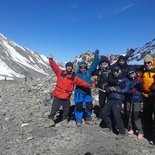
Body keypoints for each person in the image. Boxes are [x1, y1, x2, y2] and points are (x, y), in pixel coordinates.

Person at [46, 54, 91, 127]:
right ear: (66, 67)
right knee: (54, 109)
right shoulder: (60, 72)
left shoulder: (74, 77)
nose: (69, 68)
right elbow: (54, 67)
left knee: (66, 110)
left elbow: (81, 82)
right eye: (68, 66)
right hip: (57, 96)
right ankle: (50, 120)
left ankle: (65, 120)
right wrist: (51, 60)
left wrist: (88, 85)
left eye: (70, 67)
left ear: (72, 68)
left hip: (66, 98)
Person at [101, 66, 130, 135]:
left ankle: (122, 131)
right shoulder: (110, 79)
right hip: (110, 99)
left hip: (118, 99)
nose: (116, 73)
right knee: (104, 113)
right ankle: (111, 126)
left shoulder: (124, 79)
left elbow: (127, 89)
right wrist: (109, 89)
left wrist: (118, 90)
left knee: (116, 115)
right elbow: (106, 87)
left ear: (120, 71)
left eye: (117, 71)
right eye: (115, 72)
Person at [74, 49, 99, 126]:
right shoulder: (77, 74)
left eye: (84, 67)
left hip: (87, 93)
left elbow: (94, 64)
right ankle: (78, 120)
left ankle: (87, 118)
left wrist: (96, 56)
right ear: (79, 67)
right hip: (79, 93)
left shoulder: (89, 72)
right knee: (79, 106)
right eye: (81, 67)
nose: (83, 68)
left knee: (89, 105)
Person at [126, 67, 143, 140]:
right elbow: (125, 88)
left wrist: (138, 86)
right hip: (129, 99)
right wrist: (129, 91)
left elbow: (141, 88)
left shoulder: (139, 79)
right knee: (128, 113)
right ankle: (131, 128)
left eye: (132, 73)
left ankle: (140, 131)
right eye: (130, 73)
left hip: (137, 99)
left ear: (135, 73)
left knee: (136, 115)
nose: (131, 74)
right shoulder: (127, 80)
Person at [141, 55, 155, 143]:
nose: (147, 64)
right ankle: (148, 131)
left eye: (148, 62)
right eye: (145, 63)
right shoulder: (143, 71)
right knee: (147, 114)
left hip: (153, 96)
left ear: (152, 62)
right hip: (145, 96)